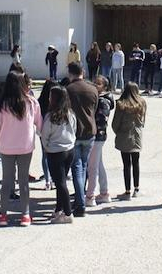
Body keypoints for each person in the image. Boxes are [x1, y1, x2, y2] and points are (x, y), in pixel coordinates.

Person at [0, 71, 43, 227]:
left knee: (7, 181)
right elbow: (39, 124)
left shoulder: (2, 105)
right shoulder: (31, 102)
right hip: (26, 145)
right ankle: (25, 214)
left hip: (6, 146)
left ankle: (3, 215)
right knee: (23, 181)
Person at [65, 62, 99, 217]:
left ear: (70, 73)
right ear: (83, 72)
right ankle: (80, 199)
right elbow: (95, 109)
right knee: (83, 166)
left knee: (77, 168)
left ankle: (80, 203)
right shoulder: (93, 89)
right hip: (90, 131)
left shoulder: (69, 89)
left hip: (75, 132)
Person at [40, 86, 77, 224]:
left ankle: (68, 213)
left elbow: (45, 135)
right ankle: (58, 209)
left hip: (55, 152)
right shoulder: (70, 113)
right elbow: (74, 130)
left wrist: (46, 147)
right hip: (69, 150)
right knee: (61, 182)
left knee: (60, 183)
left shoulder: (51, 116)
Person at [112, 82, 146, 201]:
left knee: (126, 164)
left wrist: (118, 132)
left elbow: (115, 123)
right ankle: (137, 189)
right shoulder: (141, 102)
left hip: (124, 134)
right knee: (136, 162)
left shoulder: (121, 104)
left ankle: (127, 191)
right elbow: (143, 120)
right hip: (137, 135)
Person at [85, 75, 115, 207]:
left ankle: (91, 196)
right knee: (98, 164)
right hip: (98, 136)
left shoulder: (103, 101)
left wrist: (93, 127)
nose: (95, 85)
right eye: (95, 82)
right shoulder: (99, 97)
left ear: (105, 87)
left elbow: (102, 120)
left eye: (99, 84)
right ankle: (104, 192)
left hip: (98, 136)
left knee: (92, 166)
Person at [36, 78, 59, 191]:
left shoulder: (40, 101)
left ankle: (47, 180)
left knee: (45, 155)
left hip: (43, 131)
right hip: (56, 131)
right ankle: (54, 179)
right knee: (55, 155)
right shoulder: (58, 101)